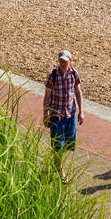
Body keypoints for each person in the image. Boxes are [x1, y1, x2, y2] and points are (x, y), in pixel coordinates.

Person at [42, 50, 83, 182]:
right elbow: (47, 96)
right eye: (61, 61)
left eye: (65, 61)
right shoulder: (52, 75)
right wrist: (45, 114)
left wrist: (81, 111)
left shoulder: (74, 73)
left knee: (70, 143)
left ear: (71, 61)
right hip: (56, 116)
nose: (63, 64)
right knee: (58, 144)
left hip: (70, 114)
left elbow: (78, 92)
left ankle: (53, 160)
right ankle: (60, 171)